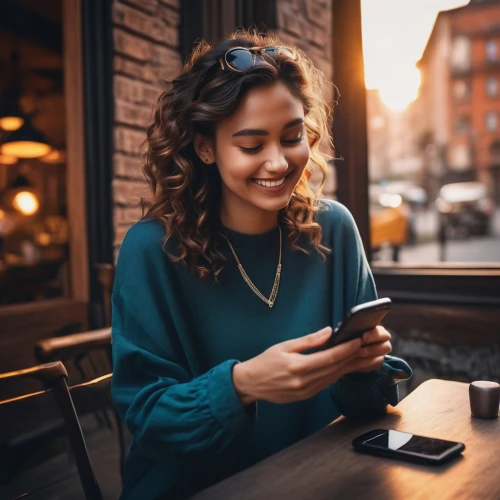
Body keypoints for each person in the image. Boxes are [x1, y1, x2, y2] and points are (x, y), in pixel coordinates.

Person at [111, 30, 412, 500]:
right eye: (251, 146)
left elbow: (373, 405)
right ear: (205, 148)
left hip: (320, 481)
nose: (278, 162)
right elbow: (149, 419)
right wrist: (241, 385)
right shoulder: (151, 250)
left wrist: (363, 367)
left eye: (292, 137)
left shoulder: (334, 230)